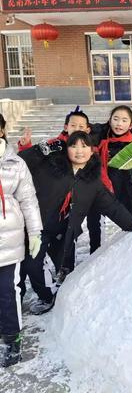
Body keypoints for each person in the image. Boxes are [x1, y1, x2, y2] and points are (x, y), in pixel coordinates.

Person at [20, 131, 132, 315]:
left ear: (91, 150)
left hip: (64, 231)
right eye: (73, 146)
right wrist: (39, 150)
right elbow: (20, 164)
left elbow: (111, 205)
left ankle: (55, 292)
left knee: (61, 269)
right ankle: (47, 296)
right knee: (32, 265)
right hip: (37, 227)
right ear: (67, 149)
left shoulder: (92, 181)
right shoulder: (51, 166)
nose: (79, 151)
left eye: (84, 146)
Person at [0, 114, 43, 367]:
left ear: (2, 129)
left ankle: (12, 338)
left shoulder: (15, 163)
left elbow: (28, 200)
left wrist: (35, 232)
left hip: (9, 240)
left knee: (7, 291)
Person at [88, 106, 132, 253]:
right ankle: (94, 254)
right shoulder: (99, 134)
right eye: (116, 119)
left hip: (117, 190)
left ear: (131, 125)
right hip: (93, 186)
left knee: (124, 220)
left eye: (124, 120)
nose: (119, 124)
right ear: (110, 119)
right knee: (94, 224)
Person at [17, 105, 90, 152]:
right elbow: (33, 159)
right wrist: (25, 147)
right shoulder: (53, 145)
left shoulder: (91, 147)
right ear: (66, 127)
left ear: (87, 130)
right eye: (73, 125)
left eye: (81, 126)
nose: (77, 129)